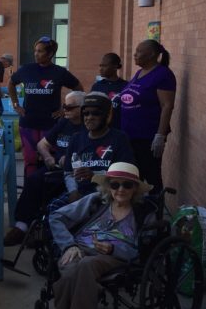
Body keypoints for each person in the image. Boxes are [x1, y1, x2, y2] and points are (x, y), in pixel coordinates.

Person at [36, 162, 153, 309]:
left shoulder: (142, 212)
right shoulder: (96, 201)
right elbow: (56, 217)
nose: (120, 190)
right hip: (81, 248)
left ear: (135, 188)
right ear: (108, 186)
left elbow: (142, 249)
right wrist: (69, 245)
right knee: (70, 271)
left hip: (115, 256)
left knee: (85, 266)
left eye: (127, 185)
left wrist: (112, 249)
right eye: (115, 184)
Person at [4, 91, 86, 246]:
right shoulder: (64, 122)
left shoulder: (86, 128)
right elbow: (42, 144)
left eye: (69, 107)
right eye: (64, 106)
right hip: (56, 166)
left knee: (50, 187)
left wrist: (70, 159)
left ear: (82, 108)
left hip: (75, 171)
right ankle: (22, 226)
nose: (65, 110)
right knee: (33, 179)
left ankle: (41, 230)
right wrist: (48, 157)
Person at [8, 37, 83, 177]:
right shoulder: (26, 69)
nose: (36, 54)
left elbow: (78, 88)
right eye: (35, 51)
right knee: (30, 160)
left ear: (50, 54)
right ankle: (30, 188)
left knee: (49, 160)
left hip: (50, 124)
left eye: (40, 51)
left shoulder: (59, 72)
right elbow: (11, 83)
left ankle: (48, 188)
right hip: (28, 122)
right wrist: (16, 104)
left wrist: (64, 110)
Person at [51, 92, 135, 214]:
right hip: (79, 192)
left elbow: (124, 176)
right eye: (86, 113)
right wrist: (73, 192)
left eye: (96, 113)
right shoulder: (76, 139)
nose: (89, 117)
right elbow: (68, 173)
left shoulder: (119, 139)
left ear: (107, 116)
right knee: (53, 210)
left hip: (108, 194)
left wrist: (94, 176)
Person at [120, 40, 176, 192]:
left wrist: (160, 135)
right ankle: (135, 206)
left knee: (151, 176)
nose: (135, 54)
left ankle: (155, 205)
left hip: (147, 137)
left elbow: (167, 105)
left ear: (151, 54)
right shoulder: (140, 72)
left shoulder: (163, 74)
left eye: (139, 51)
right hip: (129, 135)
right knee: (132, 176)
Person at [91, 52, 127, 129]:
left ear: (115, 67)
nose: (101, 69)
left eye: (104, 66)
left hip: (119, 130)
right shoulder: (97, 86)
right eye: (100, 66)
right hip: (99, 129)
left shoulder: (126, 86)